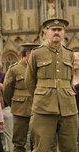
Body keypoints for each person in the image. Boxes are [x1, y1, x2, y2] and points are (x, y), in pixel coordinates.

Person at [25, 18, 78, 151]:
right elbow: (29, 81)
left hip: (68, 108)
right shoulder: (37, 53)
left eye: (59, 30)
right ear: (46, 32)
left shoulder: (69, 53)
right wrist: (41, 95)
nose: (56, 32)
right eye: (53, 30)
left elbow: (70, 79)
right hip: (44, 108)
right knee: (42, 147)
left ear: (64, 33)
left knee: (70, 147)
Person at [3, 43, 39, 152]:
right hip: (20, 110)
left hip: (38, 109)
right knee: (19, 142)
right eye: (33, 54)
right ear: (26, 54)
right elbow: (7, 91)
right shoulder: (14, 70)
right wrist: (15, 104)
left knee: (37, 141)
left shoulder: (39, 69)